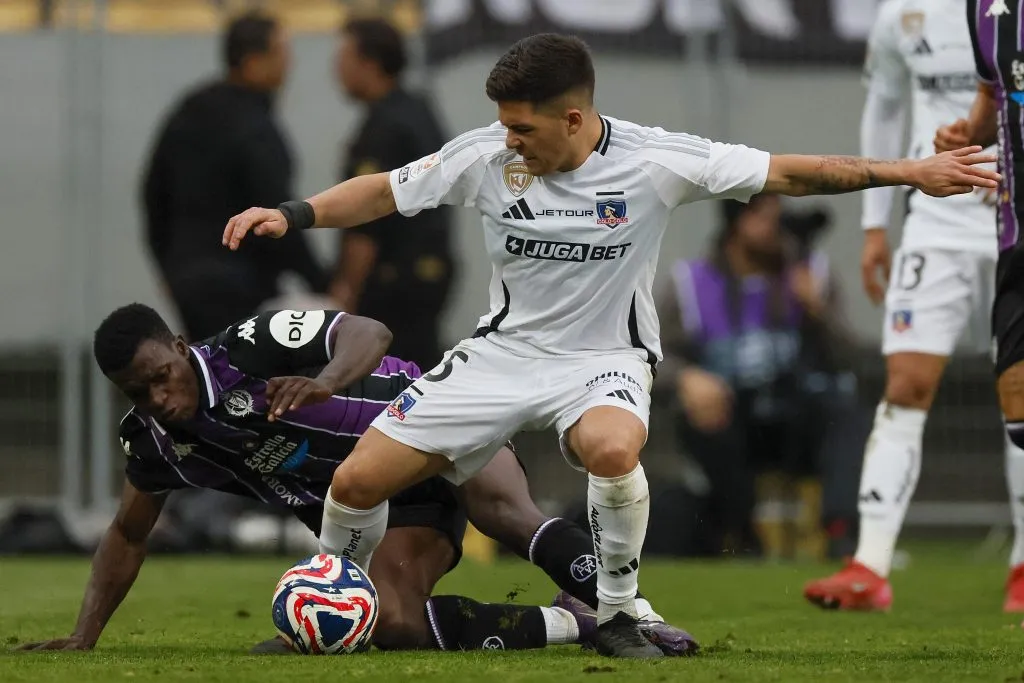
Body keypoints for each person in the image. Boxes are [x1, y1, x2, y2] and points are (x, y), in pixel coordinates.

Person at [222, 33, 999, 658]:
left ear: (573, 118)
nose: (508, 140)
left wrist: (911, 172)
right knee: (356, 483)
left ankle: (618, 612)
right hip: (500, 354)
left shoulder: (656, 160)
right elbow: (385, 190)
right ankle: (333, 610)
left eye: (522, 126)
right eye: (502, 124)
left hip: (602, 361)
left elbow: (795, 174)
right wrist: (292, 214)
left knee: (613, 448)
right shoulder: (485, 156)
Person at [16, 304, 694, 656]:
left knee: (504, 509)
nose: (158, 397)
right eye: (139, 392)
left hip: (427, 417)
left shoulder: (248, 343)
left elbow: (369, 330)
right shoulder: (155, 443)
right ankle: (574, 623)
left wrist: (326, 381)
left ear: (178, 344)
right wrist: (85, 634)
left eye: (161, 375)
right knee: (391, 622)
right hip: (381, 512)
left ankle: (642, 618)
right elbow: (127, 533)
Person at [806, 0, 1024, 614]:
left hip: (1012, 220)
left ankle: (1022, 569)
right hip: (934, 223)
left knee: (1021, 389)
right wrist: (876, 226)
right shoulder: (901, 12)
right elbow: (885, 105)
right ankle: (869, 566)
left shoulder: (1007, 12)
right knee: (906, 382)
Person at [655, 196, 860, 559]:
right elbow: (649, 354)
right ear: (736, 223)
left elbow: (851, 356)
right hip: (731, 416)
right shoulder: (689, 283)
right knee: (703, 421)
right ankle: (741, 534)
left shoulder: (811, 274)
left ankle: (841, 532)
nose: (777, 231)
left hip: (797, 415)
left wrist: (817, 309)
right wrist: (687, 378)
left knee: (844, 411)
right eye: (766, 219)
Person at [142, 12, 329, 342]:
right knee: (244, 381)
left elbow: (153, 191)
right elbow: (276, 210)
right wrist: (322, 282)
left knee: (210, 373)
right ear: (252, 61)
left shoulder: (191, 108)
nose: (289, 64)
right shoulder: (253, 126)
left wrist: (171, 266)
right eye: (281, 54)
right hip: (241, 280)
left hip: (189, 276)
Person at [931, 0, 1024, 614]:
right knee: (1017, 407)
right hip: (1016, 233)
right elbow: (995, 97)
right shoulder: (983, 8)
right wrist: (969, 131)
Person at [330, 17, 456, 370]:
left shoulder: (385, 128)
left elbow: (368, 217)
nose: (336, 69)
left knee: (387, 379)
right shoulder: (417, 110)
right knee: (420, 371)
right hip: (429, 272)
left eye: (344, 58)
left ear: (370, 64)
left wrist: (346, 288)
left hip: (393, 284)